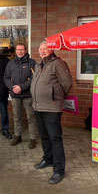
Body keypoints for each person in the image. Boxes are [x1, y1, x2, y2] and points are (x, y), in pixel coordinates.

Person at [31, 42, 72, 184]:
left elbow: (67, 83)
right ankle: (48, 159)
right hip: (38, 107)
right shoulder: (38, 65)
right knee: (44, 136)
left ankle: (59, 170)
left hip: (52, 107)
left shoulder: (58, 63)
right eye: (40, 49)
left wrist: (57, 97)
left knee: (55, 138)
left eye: (45, 49)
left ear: (52, 49)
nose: (42, 51)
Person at [4, 43, 37, 148]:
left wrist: (21, 87)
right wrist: (13, 87)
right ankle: (17, 136)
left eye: (22, 49)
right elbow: (6, 78)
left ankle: (32, 138)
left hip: (28, 95)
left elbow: (34, 78)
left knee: (31, 117)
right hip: (15, 95)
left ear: (26, 50)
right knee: (16, 117)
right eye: (18, 50)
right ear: (15, 51)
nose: (20, 51)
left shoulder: (32, 63)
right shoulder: (11, 63)